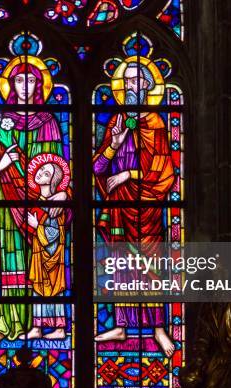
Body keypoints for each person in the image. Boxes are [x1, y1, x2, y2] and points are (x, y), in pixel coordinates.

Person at [0, 61, 68, 354]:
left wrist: (58, 194)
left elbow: (59, 166)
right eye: (19, 81)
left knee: (46, 263)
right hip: (8, 202)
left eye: (31, 81)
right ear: (12, 86)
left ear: (40, 85)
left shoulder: (49, 121)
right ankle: (6, 325)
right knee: (12, 265)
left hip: (42, 205)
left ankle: (46, 323)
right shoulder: (0, 122)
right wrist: (1, 165)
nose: (25, 87)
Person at [92, 62, 176, 357]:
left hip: (148, 206)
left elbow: (165, 170)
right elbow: (98, 167)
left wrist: (129, 175)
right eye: (126, 82)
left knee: (151, 265)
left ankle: (158, 328)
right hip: (119, 206)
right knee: (122, 265)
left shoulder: (155, 122)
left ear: (147, 86)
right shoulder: (117, 121)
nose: (130, 87)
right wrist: (114, 144)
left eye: (135, 81)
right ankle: (121, 325)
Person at [26, 160, 71, 340]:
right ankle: (37, 327)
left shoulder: (56, 203)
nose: (41, 173)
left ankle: (60, 329)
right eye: (41, 169)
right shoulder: (38, 201)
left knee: (55, 289)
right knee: (37, 288)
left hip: (52, 254)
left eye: (46, 173)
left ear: (53, 181)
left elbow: (55, 232)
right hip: (38, 253)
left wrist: (37, 226)